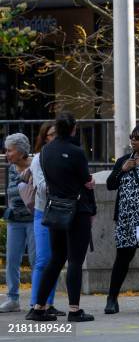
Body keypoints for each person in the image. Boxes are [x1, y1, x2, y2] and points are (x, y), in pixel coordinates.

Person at [31, 112, 97, 322]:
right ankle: (74, 309)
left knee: (55, 259)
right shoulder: (76, 152)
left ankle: (39, 307)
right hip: (77, 209)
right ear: (73, 128)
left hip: (55, 207)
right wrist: (92, 208)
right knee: (75, 260)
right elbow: (86, 181)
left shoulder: (45, 152)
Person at [105, 124, 139, 315]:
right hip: (126, 218)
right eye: (132, 137)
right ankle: (112, 299)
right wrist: (122, 169)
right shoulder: (123, 160)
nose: (133, 141)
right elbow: (110, 185)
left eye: (138, 138)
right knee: (123, 258)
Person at [26, 123, 66, 320]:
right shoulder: (39, 159)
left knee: (55, 260)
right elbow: (41, 187)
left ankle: (48, 303)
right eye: (51, 135)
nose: (55, 137)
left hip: (59, 211)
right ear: (44, 137)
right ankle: (36, 304)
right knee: (43, 260)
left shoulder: (63, 154)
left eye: (57, 134)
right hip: (44, 212)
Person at [1, 133, 35, 313]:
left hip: (33, 220)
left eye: (9, 150)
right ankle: (13, 299)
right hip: (15, 220)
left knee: (36, 261)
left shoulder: (36, 166)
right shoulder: (12, 168)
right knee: (12, 260)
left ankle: (37, 300)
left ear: (21, 152)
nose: (6, 154)